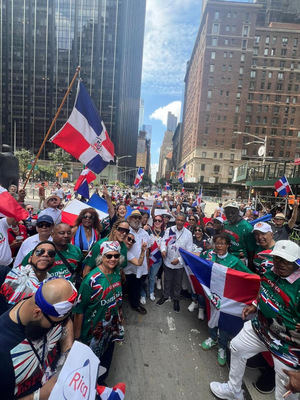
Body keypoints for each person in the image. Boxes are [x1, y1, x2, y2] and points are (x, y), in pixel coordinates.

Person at [210, 240, 300, 400]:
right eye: (277, 258)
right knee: (237, 347)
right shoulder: (270, 271)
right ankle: (233, 391)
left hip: (289, 348)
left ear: (296, 262)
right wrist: (255, 304)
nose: (280, 264)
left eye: (286, 260)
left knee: (286, 393)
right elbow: (264, 290)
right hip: (261, 328)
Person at [0, 277, 76, 399]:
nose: (57, 325)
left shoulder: (47, 306)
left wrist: (66, 353)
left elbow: (65, 321)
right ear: (37, 313)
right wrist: (38, 396)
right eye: (55, 323)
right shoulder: (3, 350)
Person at [73, 241, 124, 384]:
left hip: (110, 328)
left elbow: (118, 298)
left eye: (116, 256)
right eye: (109, 256)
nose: (113, 259)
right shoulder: (91, 280)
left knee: (106, 358)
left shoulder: (117, 273)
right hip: (91, 333)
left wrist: (120, 316)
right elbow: (79, 310)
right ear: (101, 257)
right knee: (87, 364)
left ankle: (100, 381)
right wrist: (77, 338)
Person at [200, 233, 252, 366]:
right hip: (212, 295)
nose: (219, 246)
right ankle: (212, 338)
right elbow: (198, 261)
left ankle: (222, 346)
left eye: (222, 243)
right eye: (217, 243)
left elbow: (248, 275)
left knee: (223, 322)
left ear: (228, 245)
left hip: (227, 299)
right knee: (212, 317)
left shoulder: (234, 261)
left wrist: (261, 280)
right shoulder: (210, 255)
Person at [0, 241, 56, 310]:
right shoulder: (6, 273)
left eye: (51, 253)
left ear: (53, 262)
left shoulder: (54, 288)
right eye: (40, 252)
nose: (45, 255)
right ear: (30, 259)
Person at [157, 213, 193, 312]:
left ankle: (176, 299)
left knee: (177, 282)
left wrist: (179, 260)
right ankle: (165, 296)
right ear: (176, 220)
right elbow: (164, 241)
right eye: (178, 220)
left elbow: (189, 251)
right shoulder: (170, 230)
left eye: (182, 220)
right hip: (168, 260)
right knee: (167, 280)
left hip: (179, 263)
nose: (180, 222)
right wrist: (163, 250)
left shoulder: (188, 234)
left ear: (185, 222)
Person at [123, 210, 150, 314]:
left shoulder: (145, 233)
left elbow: (147, 250)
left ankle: (135, 304)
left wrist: (147, 264)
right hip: (128, 267)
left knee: (137, 286)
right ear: (129, 219)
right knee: (127, 285)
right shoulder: (126, 232)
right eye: (135, 217)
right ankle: (130, 304)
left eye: (139, 218)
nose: (137, 220)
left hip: (141, 266)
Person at [223, 200, 256, 268]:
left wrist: (249, 266)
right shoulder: (225, 224)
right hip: (226, 256)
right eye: (227, 212)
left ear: (238, 212)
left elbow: (251, 250)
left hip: (240, 261)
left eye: (233, 212)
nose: (230, 215)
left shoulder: (247, 228)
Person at [148, 214, 165, 301]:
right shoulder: (149, 231)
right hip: (147, 257)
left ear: (162, 222)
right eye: (155, 220)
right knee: (145, 276)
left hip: (157, 259)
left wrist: (162, 248)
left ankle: (151, 292)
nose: (157, 222)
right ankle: (143, 293)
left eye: (159, 220)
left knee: (152, 276)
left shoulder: (165, 233)